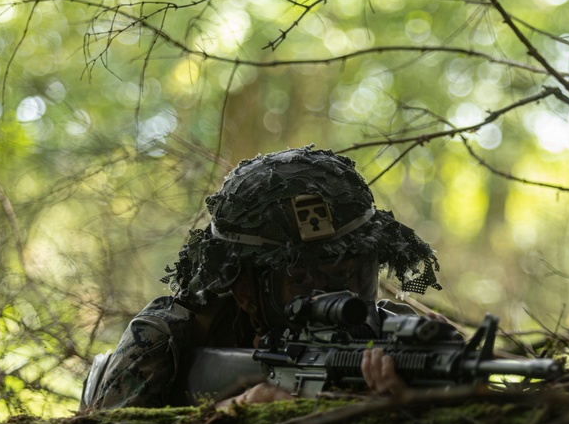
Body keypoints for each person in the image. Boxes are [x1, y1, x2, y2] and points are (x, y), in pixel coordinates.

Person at [80, 146, 443, 409]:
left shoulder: (405, 344)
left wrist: (411, 413)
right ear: (243, 290)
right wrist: (222, 420)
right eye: (301, 282)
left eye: (350, 275)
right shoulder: (166, 340)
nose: (337, 299)